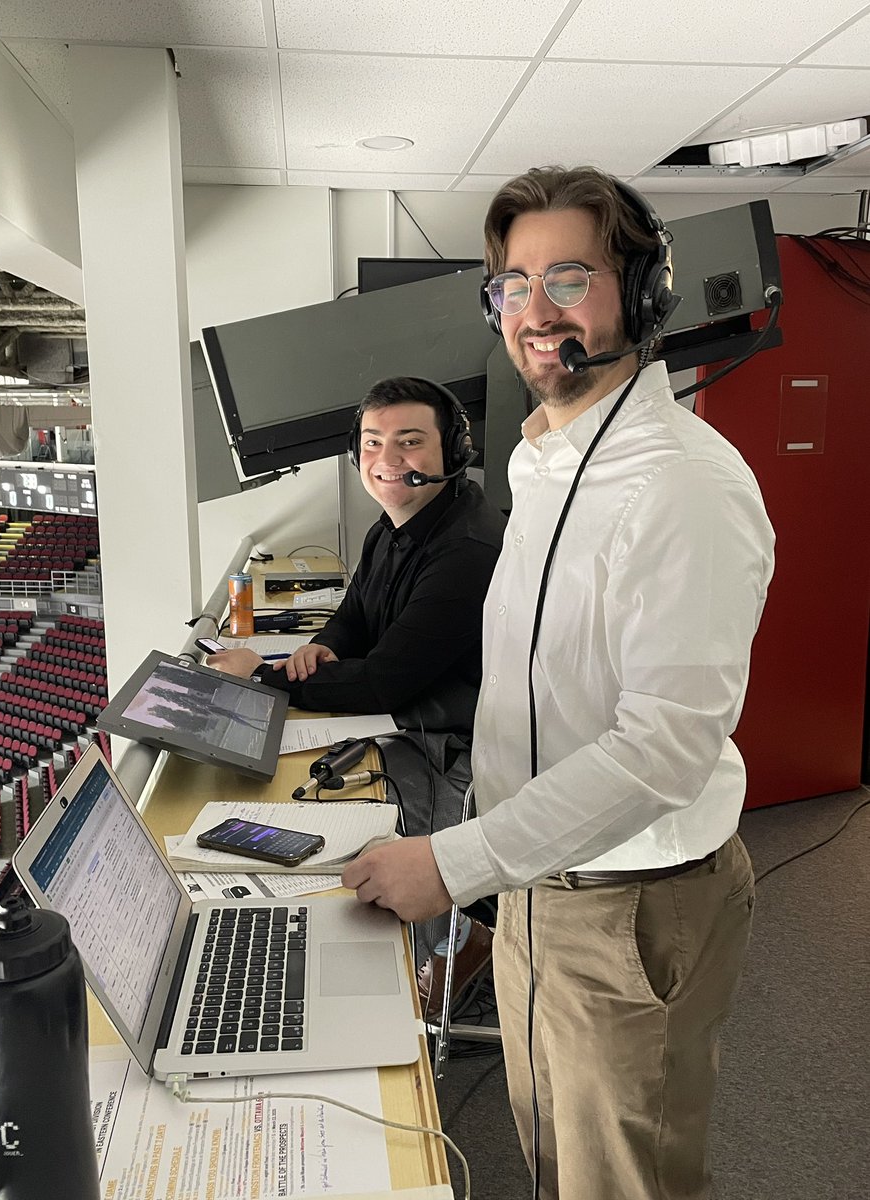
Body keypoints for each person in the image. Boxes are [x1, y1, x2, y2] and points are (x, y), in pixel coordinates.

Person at [342, 167, 775, 1200]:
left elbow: (664, 745)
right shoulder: (543, 461)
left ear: (645, 291)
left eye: (568, 277)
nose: (533, 312)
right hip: (537, 882)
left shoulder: (684, 486)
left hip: (629, 906)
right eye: (511, 286)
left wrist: (455, 863)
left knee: (618, 1185)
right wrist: (488, 867)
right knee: (550, 1163)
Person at [210, 375, 507, 1013]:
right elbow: (355, 617)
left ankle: (445, 959)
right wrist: (321, 648)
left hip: (456, 741)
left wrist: (260, 678)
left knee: (390, 848)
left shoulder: (466, 548)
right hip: (413, 712)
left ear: (453, 453)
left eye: (409, 442)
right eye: (373, 443)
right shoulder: (394, 524)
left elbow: (388, 678)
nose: (387, 461)